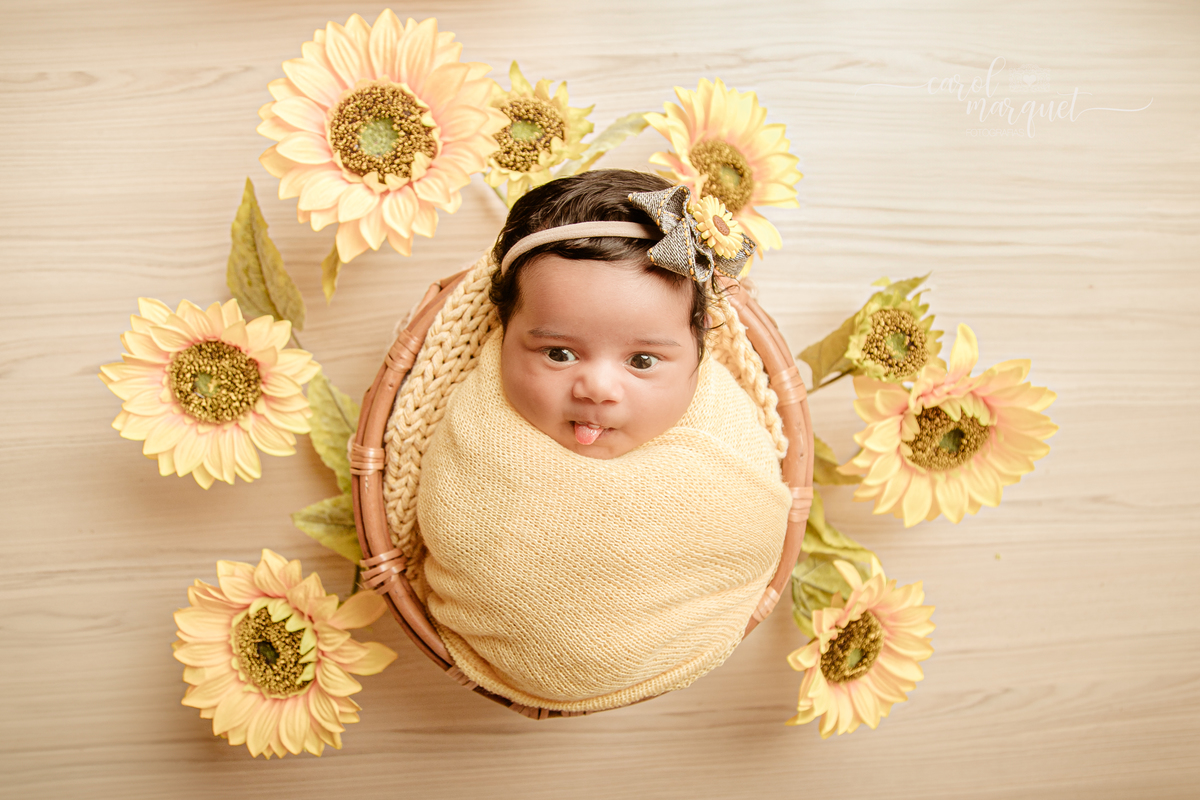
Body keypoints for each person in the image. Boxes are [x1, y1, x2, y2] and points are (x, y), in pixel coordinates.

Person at [413, 169, 793, 712]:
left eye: (642, 361)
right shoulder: (479, 429)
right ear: (501, 332)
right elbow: (456, 525)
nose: (596, 388)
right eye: (558, 353)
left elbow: (750, 532)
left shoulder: (721, 427)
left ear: (700, 348)